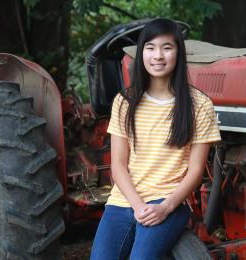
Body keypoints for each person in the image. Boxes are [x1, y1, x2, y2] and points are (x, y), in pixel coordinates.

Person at [90, 18, 221, 260]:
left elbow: (196, 170)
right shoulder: (125, 102)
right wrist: (137, 206)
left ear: (178, 53)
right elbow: (118, 165)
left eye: (167, 47)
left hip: (168, 201)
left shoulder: (199, 105)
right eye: (150, 48)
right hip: (123, 201)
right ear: (141, 54)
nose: (158, 56)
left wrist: (166, 207)